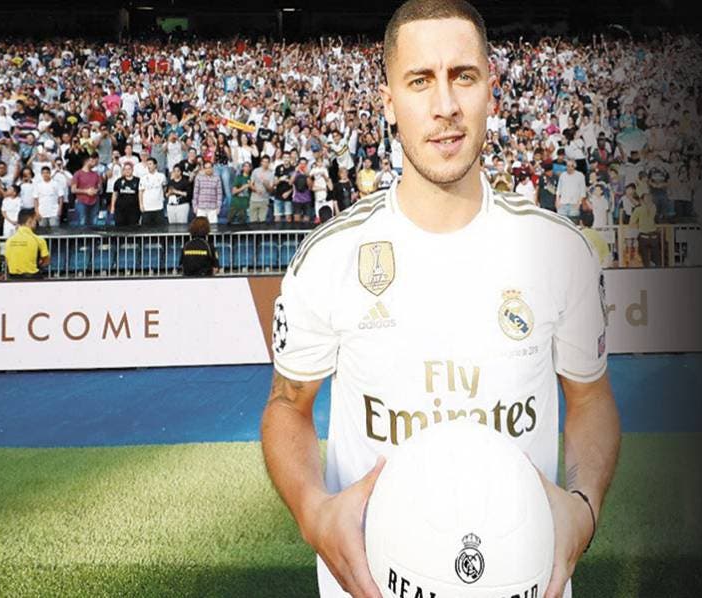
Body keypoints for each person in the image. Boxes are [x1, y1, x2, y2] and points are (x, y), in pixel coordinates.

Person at [260, 4, 619, 598]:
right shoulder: (329, 257)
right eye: (420, 80)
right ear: (388, 101)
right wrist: (312, 510)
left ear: (491, 91)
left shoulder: (560, 252)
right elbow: (286, 406)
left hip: (526, 581)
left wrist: (583, 506)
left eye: (464, 76)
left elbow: (590, 398)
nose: (445, 105)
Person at [5, 208, 50, 279]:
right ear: (30, 221)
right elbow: (46, 261)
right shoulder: (38, 240)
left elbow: (7, 259)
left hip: (12, 278)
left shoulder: (9, 240)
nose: (36, 223)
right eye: (35, 220)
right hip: (32, 278)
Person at [71, 155, 103, 227]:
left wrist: (96, 190)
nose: (94, 162)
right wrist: (86, 191)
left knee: (94, 223)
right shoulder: (78, 174)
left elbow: (100, 188)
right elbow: (73, 189)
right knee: (82, 222)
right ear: (86, 162)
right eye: (91, 161)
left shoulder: (96, 174)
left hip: (95, 201)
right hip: (81, 202)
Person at [139, 158, 167, 226]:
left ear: (155, 165)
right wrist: (141, 205)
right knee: (146, 229)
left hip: (158, 207)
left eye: (150, 164)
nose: (148, 166)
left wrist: (161, 196)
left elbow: (165, 187)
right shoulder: (143, 178)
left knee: (160, 228)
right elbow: (140, 192)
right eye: (147, 164)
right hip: (147, 208)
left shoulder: (162, 176)